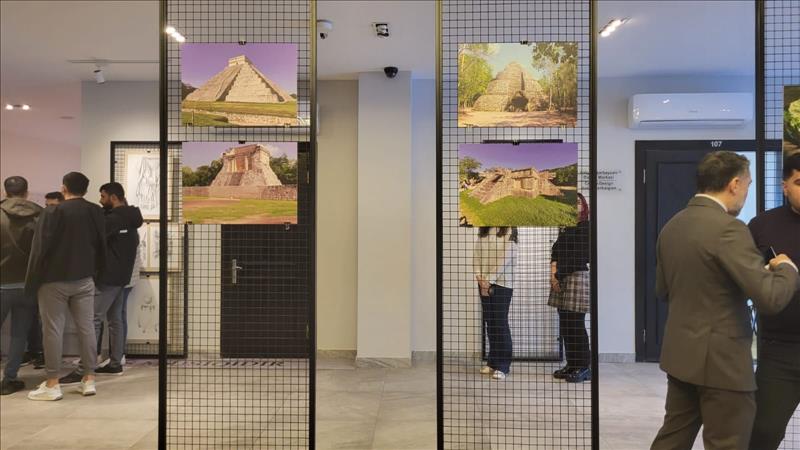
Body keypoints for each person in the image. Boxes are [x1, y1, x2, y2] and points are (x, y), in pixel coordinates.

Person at [650, 151, 800, 450]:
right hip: (721, 361)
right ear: (734, 184)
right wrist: (787, 269)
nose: (746, 193)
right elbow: (769, 298)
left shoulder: (673, 225)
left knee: (673, 438)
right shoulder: (731, 228)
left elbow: (663, 290)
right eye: (748, 184)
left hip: (682, 355)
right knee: (728, 442)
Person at [25, 172, 106, 401]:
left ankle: (52, 383)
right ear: (86, 190)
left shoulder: (52, 212)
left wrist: (32, 281)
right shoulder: (95, 211)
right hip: (85, 278)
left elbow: (39, 249)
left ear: (63, 188)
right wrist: (97, 274)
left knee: (53, 330)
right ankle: (89, 379)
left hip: (53, 280)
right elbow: (101, 244)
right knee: (86, 327)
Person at [60, 182, 142, 382]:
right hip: (122, 278)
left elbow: (93, 241)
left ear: (113, 197)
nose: (100, 200)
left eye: (103, 196)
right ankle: (115, 363)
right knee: (115, 319)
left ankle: (84, 369)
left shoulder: (113, 220)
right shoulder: (130, 217)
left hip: (109, 278)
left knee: (93, 320)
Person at [748, 152, 800, 450]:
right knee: (762, 433)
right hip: (779, 349)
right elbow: (746, 279)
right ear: (785, 186)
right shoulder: (762, 226)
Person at [0, 176, 43, 395]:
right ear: (26, 192)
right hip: (27, 284)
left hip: (1, 283)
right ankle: (9, 379)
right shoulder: (40, 215)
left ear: (5, 191)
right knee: (19, 334)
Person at [548, 193, 591, 383]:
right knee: (565, 323)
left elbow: (580, 256)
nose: (575, 206)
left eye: (578, 202)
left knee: (576, 324)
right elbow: (555, 250)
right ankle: (572, 364)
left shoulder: (586, 227)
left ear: (584, 206)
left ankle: (584, 367)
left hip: (576, 277)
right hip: (561, 277)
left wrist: (557, 275)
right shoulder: (565, 227)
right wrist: (553, 273)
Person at [473, 226, 517, 381]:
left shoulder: (509, 229)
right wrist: (479, 276)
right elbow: (477, 254)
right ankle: (492, 362)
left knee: (500, 323)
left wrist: (489, 279)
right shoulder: (484, 230)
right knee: (490, 322)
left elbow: (506, 258)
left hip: (502, 283)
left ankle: (503, 366)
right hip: (483, 282)